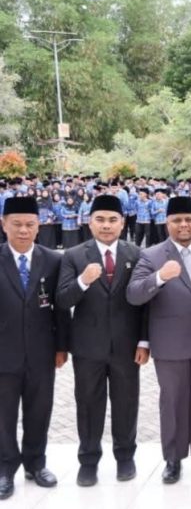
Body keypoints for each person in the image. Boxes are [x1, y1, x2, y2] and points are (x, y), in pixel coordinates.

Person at [126, 196, 191, 484]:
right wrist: (159, 277)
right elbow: (134, 294)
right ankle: (173, 459)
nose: (183, 225)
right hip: (170, 342)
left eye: (189, 219)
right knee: (172, 401)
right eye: (176, 220)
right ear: (167, 223)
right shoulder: (151, 256)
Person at [55, 195, 150, 487]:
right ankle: (88, 460)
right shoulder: (73, 255)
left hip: (126, 345)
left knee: (126, 402)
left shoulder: (135, 253)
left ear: (122, 224)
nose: (106, 226)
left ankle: (125, 456)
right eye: (100, 219)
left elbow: (145, 302)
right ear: (89, 221)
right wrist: (83, 280)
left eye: (112, 220)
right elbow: (61, 300)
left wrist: (144, 342)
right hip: (87, 346)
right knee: (88, 403)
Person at [0, 197, 69, 500]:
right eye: (17, 224)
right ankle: (4, 469)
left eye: (30, 224)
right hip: (3, 353)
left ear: (39, 226)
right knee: (3, 415)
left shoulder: (53, 260)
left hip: (42, 352)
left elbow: (61, 308)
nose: (24, 231)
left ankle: (36, 463)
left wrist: (62, 346)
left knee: (39, 411)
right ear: (4, 225)